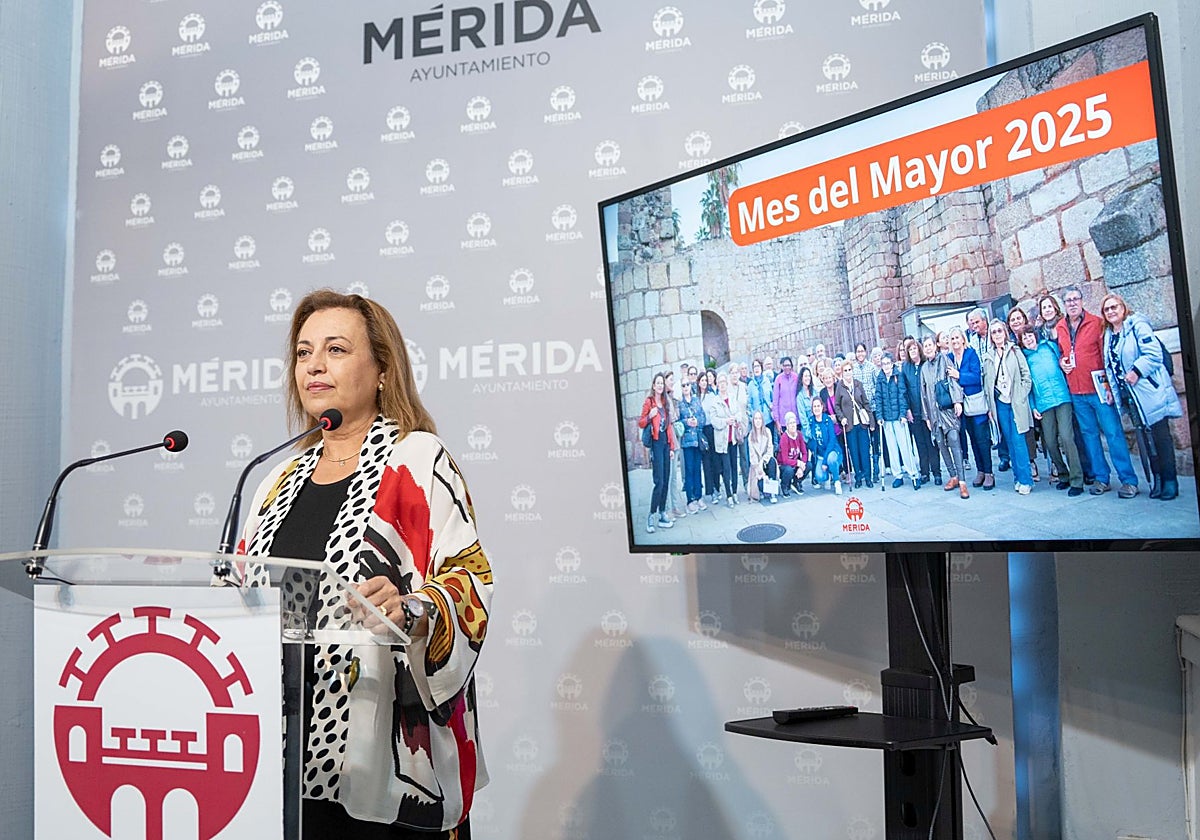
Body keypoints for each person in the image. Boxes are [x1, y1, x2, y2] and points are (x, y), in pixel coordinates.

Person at [236, 289, 491, 838]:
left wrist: (413, 610)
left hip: (384, 763)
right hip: (278, 761)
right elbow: (239, 600)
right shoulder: (273, 483)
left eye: (335, 349)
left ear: (381, 370)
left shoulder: (417, 460)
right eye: (304, 353)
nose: (314, 366)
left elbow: (469, 582)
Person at [1055, 286, 1140, 498]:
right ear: (1064, 305)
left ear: (1082, 301)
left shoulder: (1096, 322)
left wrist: (1110, 387)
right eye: (1068, 300)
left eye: (1076, 299)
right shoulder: (1060, 326)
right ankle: (1102, 478)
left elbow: (1106, 355)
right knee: (1089, 435)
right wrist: (1062, 362)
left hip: (1100, 389)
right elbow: (1063, 353)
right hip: (1076, 391)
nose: (1072, 303)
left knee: (1113, 433)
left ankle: (1128, 480)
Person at [1101, 293, 1182, 500]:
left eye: (1114, 307)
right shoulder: (1109, 334)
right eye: (1107, 309)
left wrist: (1136, 371)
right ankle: (1157, 479)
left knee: (1160, 436)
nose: (1111, 311)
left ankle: (1170, 480)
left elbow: (1153, 353)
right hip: (1130, 395)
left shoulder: (1137, 325)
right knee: (1146, 439)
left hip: (1149, 390)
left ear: (1123, 307)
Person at [1018, 326, 1084, 496]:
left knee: (1067, 437)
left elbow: (1064, 363)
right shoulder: (1024, 358)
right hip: (1043, 402)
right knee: (1050, 442)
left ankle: (1077, 479)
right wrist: (1033, 406)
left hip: (1062, 397)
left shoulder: (1049, 347)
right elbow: (1028, 384)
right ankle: (1063, 475)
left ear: (1035, 336)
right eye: (1024, 338)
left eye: (1030, 336)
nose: (1028, 339)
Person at [983, 319, 1034, 494]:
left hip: (1015, 401)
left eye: (999, 331)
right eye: (994, 332)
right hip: (1000, 403)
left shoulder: (1015, 351)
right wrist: (990, 406)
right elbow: (987, 383)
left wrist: (1021, 396)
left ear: (1005, 332)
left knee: (1019, 440)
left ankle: (1026, 479)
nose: (997, 334)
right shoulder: (988, 357)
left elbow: (1026, 375)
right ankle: (1017, 478)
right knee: (1010, 441)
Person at [920, 335, 969, 499]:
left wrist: (957, 401)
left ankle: (962, 481)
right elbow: (923, 394)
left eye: (929, 345)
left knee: (954, 441)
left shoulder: (945, 360)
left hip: (947, 411)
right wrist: (926, 416)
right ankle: (953, 475)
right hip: (934, 415)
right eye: (925, 346)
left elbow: (953, 381)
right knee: (941, 444)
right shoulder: (924, 369)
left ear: (935, 346)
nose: (927, 348)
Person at [949, 327, 993, 489]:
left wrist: (959, 375)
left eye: (957, 338)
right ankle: (980, 470)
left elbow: (976, 377)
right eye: (952, 339)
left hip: (975, 402)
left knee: (982, 438)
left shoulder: (971, 354)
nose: (954, 341)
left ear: (963, 339)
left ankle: (989, 472)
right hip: (961, 405)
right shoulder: (949, 357)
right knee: (972, 438)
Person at [874, 352, 919, 489]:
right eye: (883, 364)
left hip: (899, 418)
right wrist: (879, 416)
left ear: (892, 363)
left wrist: (903, 414)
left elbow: (902, 396)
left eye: (888, 363)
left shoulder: (898, 376)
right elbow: (879, 398)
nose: (886, 366)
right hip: (887, 419)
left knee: (905, 447)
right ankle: (897, 475)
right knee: (892, 449)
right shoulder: (880, 379)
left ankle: (913, 474)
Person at [638, 372, 675, 532]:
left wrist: (672, 447)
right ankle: (651, 515)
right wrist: (650, 416)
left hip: (666, 444)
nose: (660, 385)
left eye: (662, 383)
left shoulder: (665, 402)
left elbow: (669, 427)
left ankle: (662, 513)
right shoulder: (649, 402)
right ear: (653, 386)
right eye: (657, 383)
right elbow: (641, 423)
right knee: (658, 481)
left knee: (666, 479)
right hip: (656, 445)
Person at [1006, 306, 1040, 480]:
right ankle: (1031, 462)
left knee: (1045, 430)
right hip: (1023, 393)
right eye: (1012, 320)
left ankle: (1055, 465)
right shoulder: (1010, 344)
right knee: (1027, 429)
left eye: (1019, 318)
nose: (1016, 322)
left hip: (1039, 389)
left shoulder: (1033, 337)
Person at [901, 337, 939, 485]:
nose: (912, 352)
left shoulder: (926, 364)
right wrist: (907, 409)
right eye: (909, 350)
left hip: (928, 411)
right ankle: (924, 472)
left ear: (919, 350)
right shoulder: (906, 368)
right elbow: (903, 390)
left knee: (932, 442)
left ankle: (936, 471)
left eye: (914, 348)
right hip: (914, 411)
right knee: (920, 443)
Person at [703, 372, 744, 507]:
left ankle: (735, 491)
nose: (722, 385)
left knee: (734, 466)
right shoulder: (715, 401)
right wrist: (726, 421)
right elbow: (714, 420)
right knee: (725, 468)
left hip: (733, 438)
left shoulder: (732, 398)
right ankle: (728, 495)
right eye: (719, 382)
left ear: (727, 384)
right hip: (722, 440)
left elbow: (739, 413)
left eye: (724, 382)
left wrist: (735, 419)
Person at [835, 360, 874, 488]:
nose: (847, 372)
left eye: (849, 370)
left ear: (852, 371)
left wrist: (871, 420)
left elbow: (865, 403)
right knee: (854, 452)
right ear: (842, 372)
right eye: (845, 370)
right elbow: (837, 406)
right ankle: (858, 477)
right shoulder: (840, 387)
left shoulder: (858, 384)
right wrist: (841, 418)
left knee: (864, 450)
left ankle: (868, 477)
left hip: (861, 424)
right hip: (850, 426)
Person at [851, 343, 882, 483]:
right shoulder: (854, 369)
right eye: (858, 352)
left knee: (875, 440)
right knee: (864, 442)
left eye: (862, 351)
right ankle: (864, 470)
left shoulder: (872, 368)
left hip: (872, 408)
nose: (860, 354)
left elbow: (877, 386)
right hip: (859, 411)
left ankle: (876, 467)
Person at [677, 378, 708, 513]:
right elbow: (677, 422)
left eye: (687, 384)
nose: (686, 387)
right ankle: (690, 499)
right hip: (687, 442)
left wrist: (697, 422)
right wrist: (687, 422)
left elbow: (703, 417)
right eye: (683, 385)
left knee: (697, 469)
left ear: (691, 386)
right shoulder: (680, 404)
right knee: (689, 470)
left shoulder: (696, 400)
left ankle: (699, 496)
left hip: (697, 440)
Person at [663, 371, 687, 519]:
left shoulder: (672, 397)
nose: (672, 382)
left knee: (673, 477)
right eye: (670, 380)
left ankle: (675, 506)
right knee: (669, 475)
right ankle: (666, 509)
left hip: (675, 439)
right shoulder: (663, 399)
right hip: (669, 441)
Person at [807, 396, 844, 495]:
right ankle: (828, 475)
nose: (816, 408)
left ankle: (836, 481)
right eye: (814, 406)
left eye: (818, 406)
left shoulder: (827, 420)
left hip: (832, 451)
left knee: (831, 460)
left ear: (822, 407)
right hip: (821, 454)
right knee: (819, 476)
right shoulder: (811, 422)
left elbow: (832, 441)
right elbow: (810, 440)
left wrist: (824, 462)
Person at [746, 410, 778, 503]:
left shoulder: (767, 432)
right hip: (757, 468)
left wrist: (762, 462)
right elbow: (752, 457)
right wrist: (761, 472)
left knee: (772, 461)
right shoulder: (750, 436)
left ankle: (772, 492)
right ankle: (763, 490)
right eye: (756, 418)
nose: (758, 421)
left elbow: (770, 450)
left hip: (766, 462)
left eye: (759, 418)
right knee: (760, 484)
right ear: (753, 421)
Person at [771, 357, 800, 455]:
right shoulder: (778, 379)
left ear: (792, 366)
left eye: (789, 365)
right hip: (784, 421)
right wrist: (777, 421)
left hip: (796, 419)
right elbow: (775, 401)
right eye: (785, 365)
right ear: (782, 367)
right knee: (786, 448)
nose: (787, 367)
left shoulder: (796, 377)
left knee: (797, 446)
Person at [776, 411, 808, 497]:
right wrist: (798, 463)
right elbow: (785, 460)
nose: (793, 425)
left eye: (794, 422)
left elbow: (805, 453)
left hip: (794, 462)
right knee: (788, 469)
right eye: (790, 423)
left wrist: (801, 467)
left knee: (808, 465)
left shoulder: (799, 435)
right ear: (786, 426)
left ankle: (796, 482)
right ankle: (784, 486)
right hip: (784, 465)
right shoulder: (784, 438)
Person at [747, 359, 776, 445]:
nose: (756, 369)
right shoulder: (751, 385)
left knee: (770, 443)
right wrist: (753, 416)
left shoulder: (767, 381)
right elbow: (749, 404)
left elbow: (772, 397)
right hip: (757, 421)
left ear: (762, 368)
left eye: (758, 366)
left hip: (768, 418)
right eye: (754, 367)